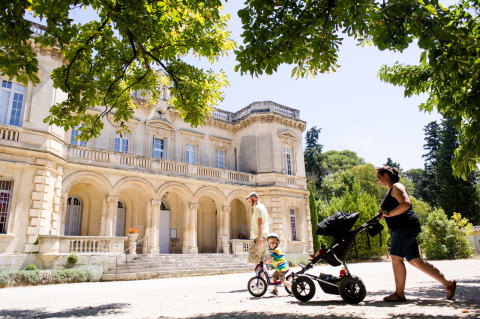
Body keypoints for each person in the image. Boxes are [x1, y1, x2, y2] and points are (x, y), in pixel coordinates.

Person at [376, 166, 456, 302]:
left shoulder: (397, 186)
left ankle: (399, 293)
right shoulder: (390, 190)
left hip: (405, 227)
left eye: (378, 177)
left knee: (396, 257)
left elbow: (406, 204)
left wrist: (388, 213)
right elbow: (394, 209)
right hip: (402, 227)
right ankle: (448, 283)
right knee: (415, 261)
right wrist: (384, 215)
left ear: (386, 175)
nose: (377, 181)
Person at [246, 192, 269, 264]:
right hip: (265, 237)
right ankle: (264, 275)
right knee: (261, 260)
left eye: (249, 200)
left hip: (260, 238)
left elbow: (260, 222)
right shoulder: (263, 207)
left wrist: (259, 238)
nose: (249, 202)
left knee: (252, 256)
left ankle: (261, 273)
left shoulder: (258, 208)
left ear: (254, 198)